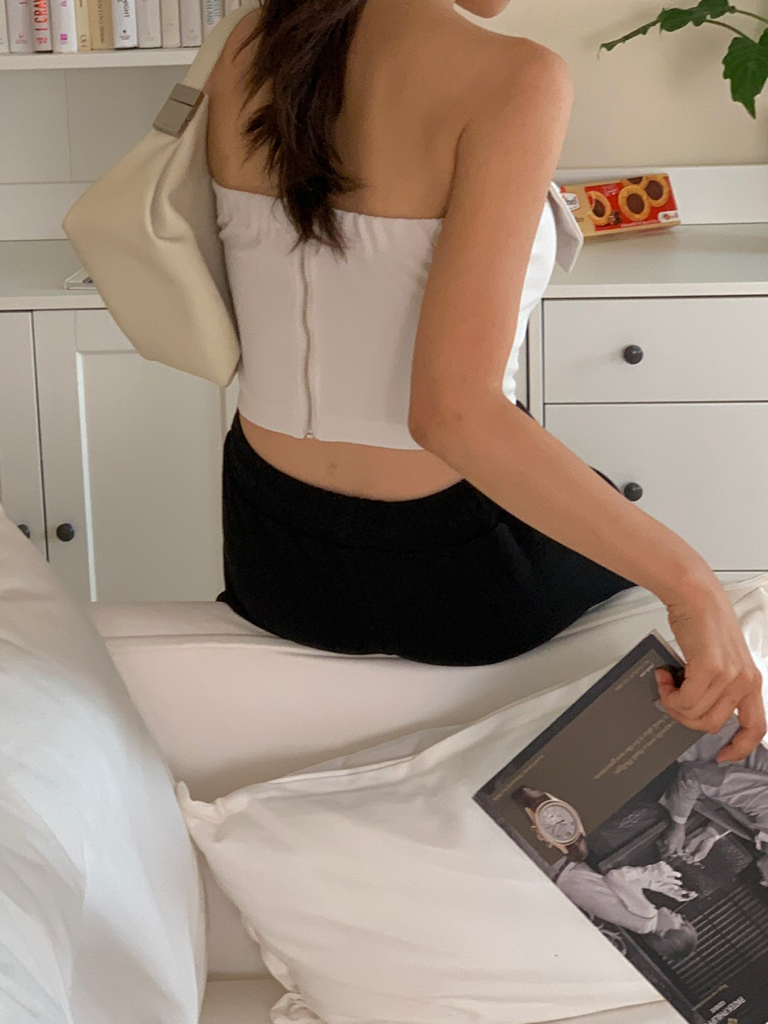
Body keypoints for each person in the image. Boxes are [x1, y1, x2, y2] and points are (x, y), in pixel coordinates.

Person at [203, 0, 765, 759]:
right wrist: (695, 589)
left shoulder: (251, 38)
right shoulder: (515, 77)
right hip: (457, 577)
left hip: (271, 554)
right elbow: (452, 416)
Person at [660, 718, 768, 884]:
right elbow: (694, 777)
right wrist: (678, 825)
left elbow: (745, 805)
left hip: (693, 737)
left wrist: (712, 833)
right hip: (695, 727)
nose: (763, 883)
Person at [554, 861, 699, 960]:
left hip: (566, 870)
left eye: (681, 924)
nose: (680, 916)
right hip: (565, 879)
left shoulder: (647, 915)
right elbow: (632, 884)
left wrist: (651, 872)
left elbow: (614, 877)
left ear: (663, 934)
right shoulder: (642, 925)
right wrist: (665, 888)